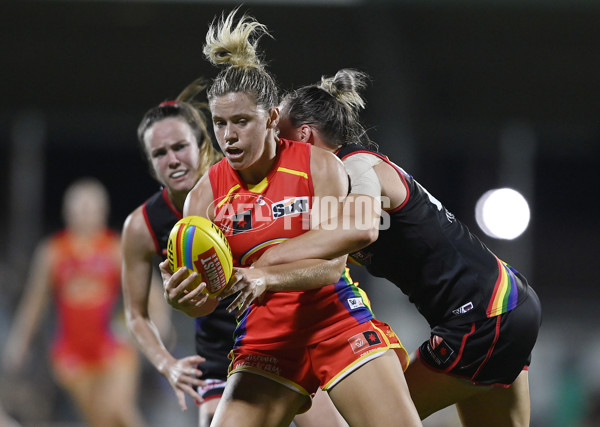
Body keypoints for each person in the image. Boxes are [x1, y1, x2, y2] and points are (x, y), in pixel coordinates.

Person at [160, 9, 422, 427]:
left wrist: (267, 277)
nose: (228, 135)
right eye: (220, 122)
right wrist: (183, 298)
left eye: (242, 121)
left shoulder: (319, 166)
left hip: (333, 319)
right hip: (265, 335)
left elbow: (332, 264)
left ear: (271, 120)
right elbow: (213, 296)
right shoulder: (204, 195)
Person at [252, 68, 543, 427]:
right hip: (506, 306)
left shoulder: (355, 165)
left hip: (483, 315)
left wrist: (267, 262)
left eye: (280, 142)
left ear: (304, 137)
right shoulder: (335, 186)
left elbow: (361, 229)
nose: (277, 156)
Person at [123, 79, 346, 427]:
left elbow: (331, 257)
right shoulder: (145, 224)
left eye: (180, 146)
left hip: (285, 331)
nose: (172, 160)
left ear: (202, 146)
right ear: (150, 164)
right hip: (219, 349)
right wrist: (168, 357)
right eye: (159, 154)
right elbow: (139, 313)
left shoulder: (240, 178)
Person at [2, 178, 147, 427]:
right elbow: (34, 302)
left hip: (112, 346)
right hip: (71, 353)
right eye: (79, 208)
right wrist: (19, 343)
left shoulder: (115, 249)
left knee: (120, 410)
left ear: (103, 212)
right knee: (100, 420)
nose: (84, 214)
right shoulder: (52, 252)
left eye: (90, 208)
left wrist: (151, 327)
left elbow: (146, 292)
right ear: (67, 212)